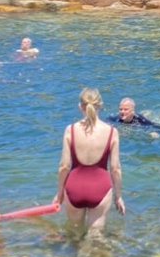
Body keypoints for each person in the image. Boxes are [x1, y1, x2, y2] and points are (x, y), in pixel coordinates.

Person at [52, 88, 125, 234]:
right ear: (100, 106)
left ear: (80, 107)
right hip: (100, 188)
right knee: (96, 240)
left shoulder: (70, 130)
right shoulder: (111, 132)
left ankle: (72, 256)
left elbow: (64, 166)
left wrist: (59, 193)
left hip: (74, 188)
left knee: (74, 234)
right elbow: (115, 168)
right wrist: (119, 196)